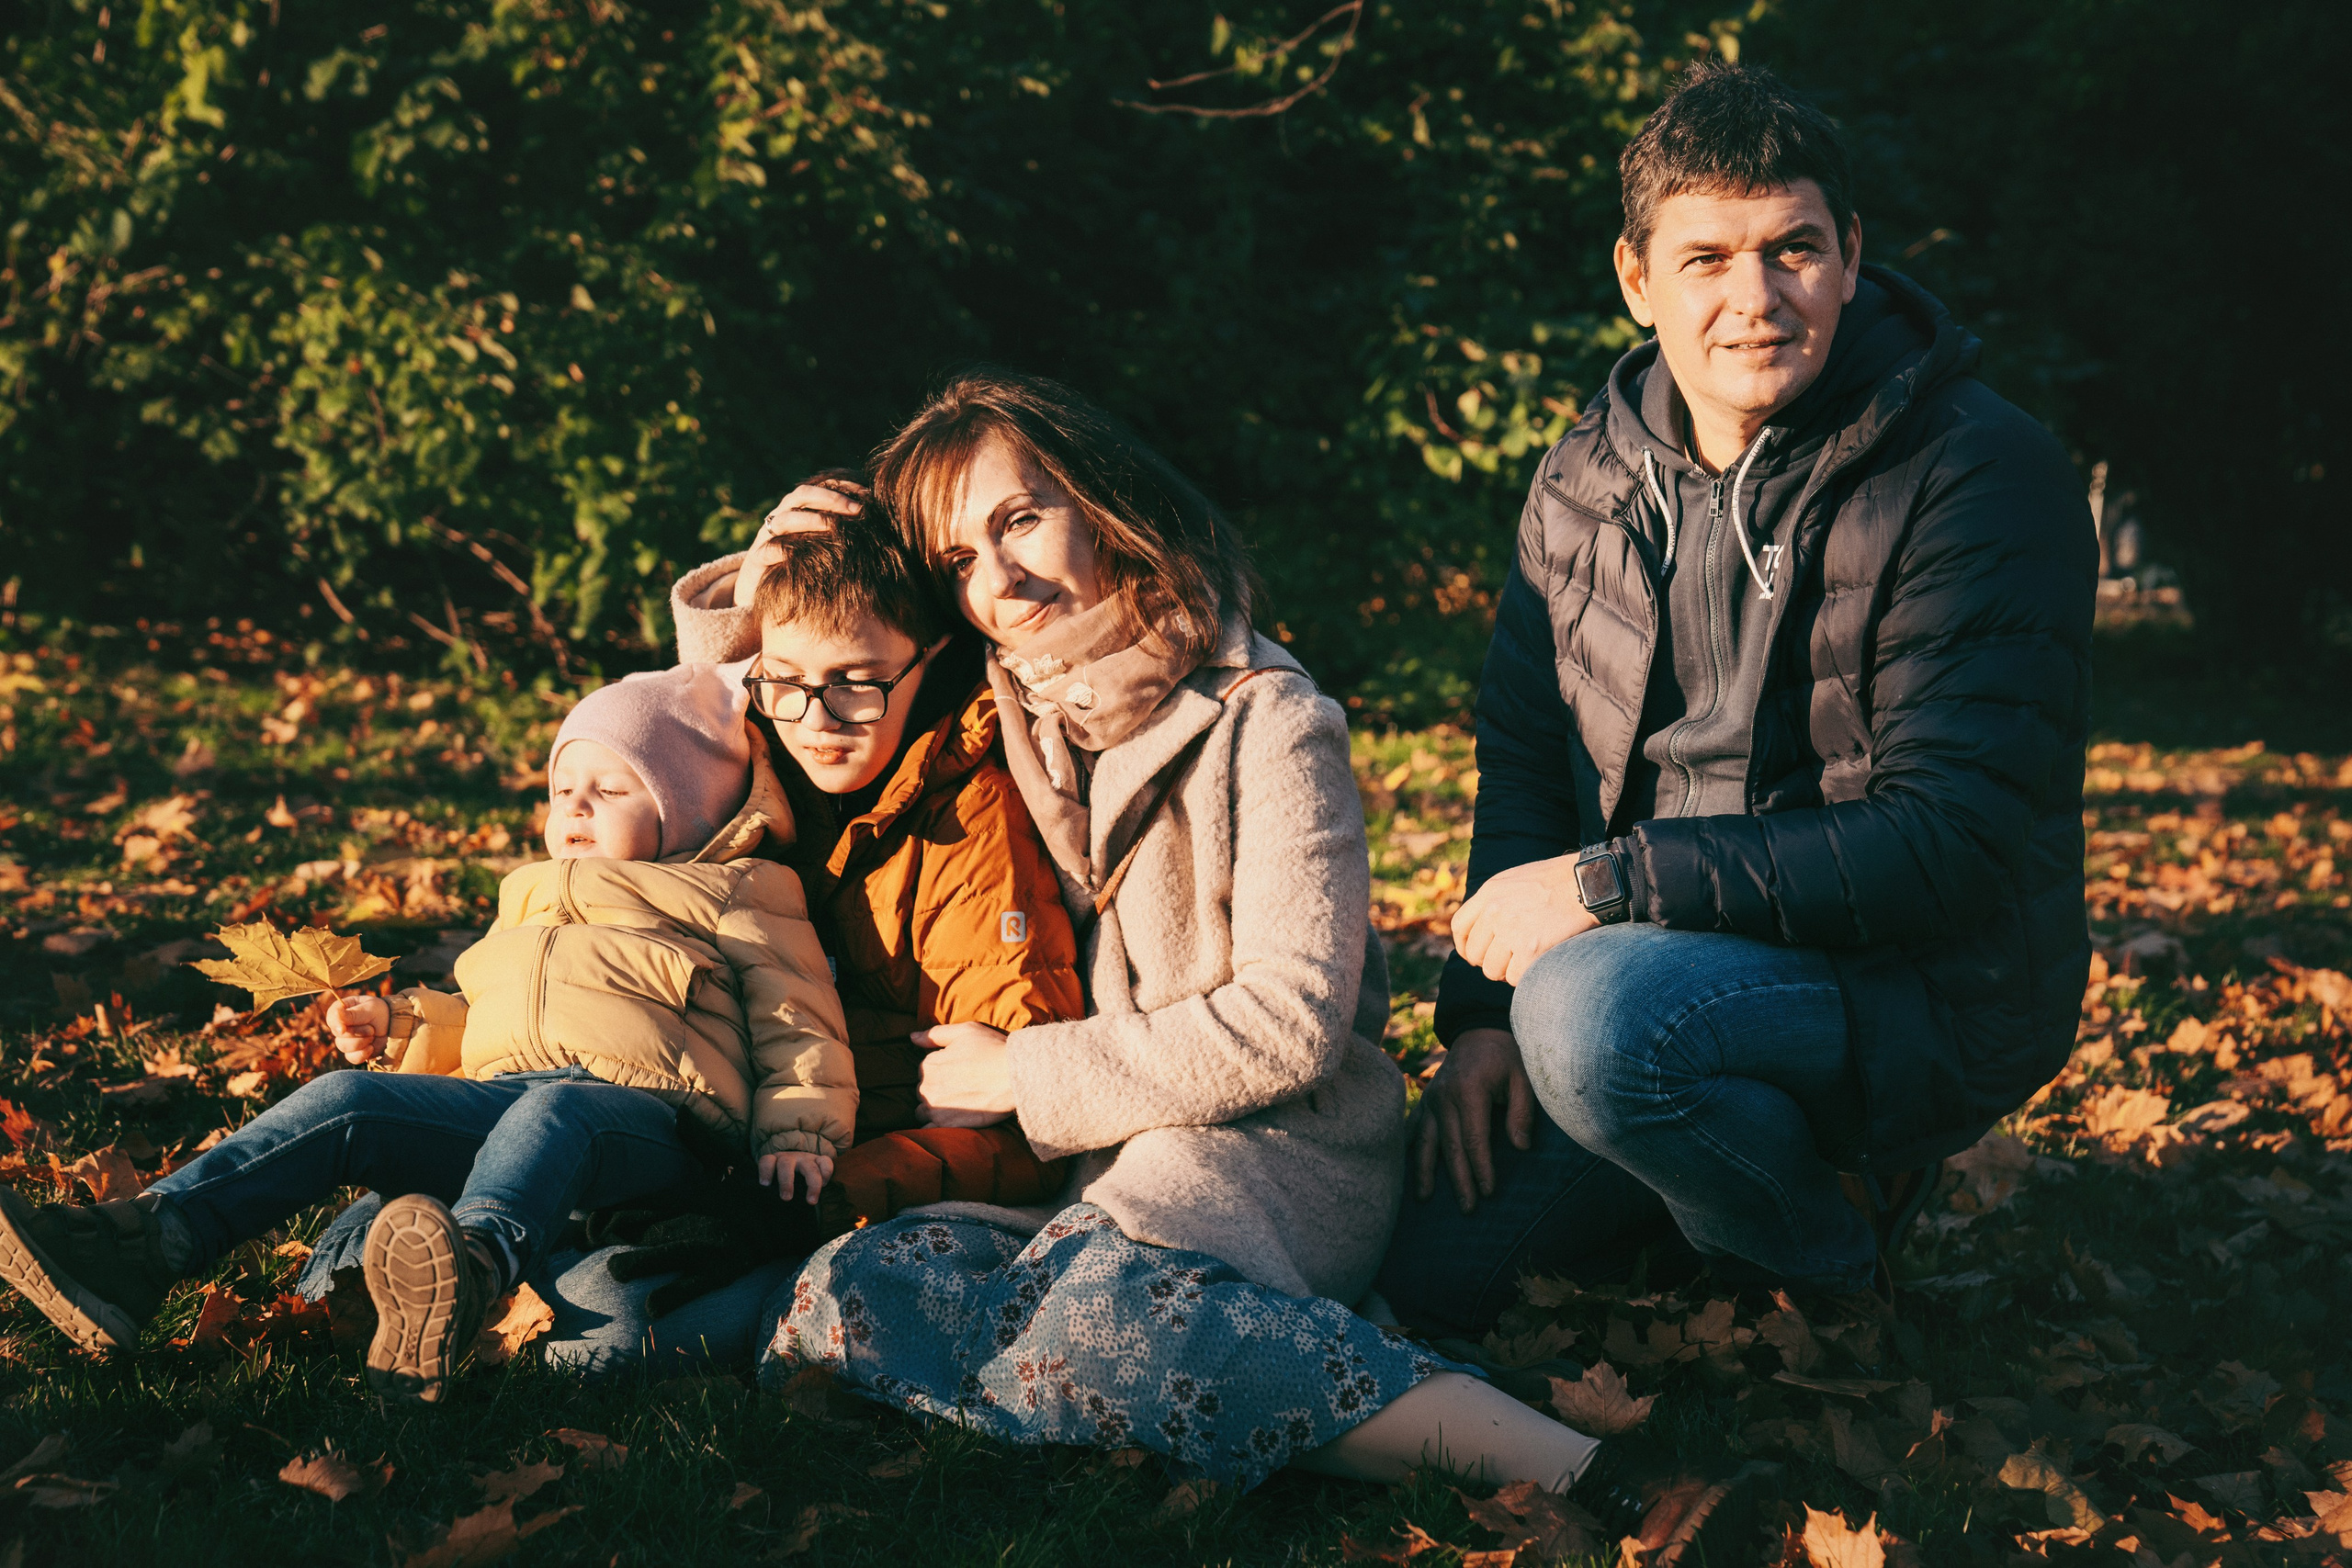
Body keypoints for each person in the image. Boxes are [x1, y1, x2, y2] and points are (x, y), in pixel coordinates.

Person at [734, 371, 1604, 1495]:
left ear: (1099, 500)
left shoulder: (1268, 717)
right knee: (846, 1290)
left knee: (1097, 1327)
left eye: (1020, 520)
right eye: (957, 561)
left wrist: (1024, 1071)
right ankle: (1220, 1382)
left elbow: (1292, 1022)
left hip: (1268, 1148)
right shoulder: (996, 702)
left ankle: (1565, 1466)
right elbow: (796, 689)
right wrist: (762, 570)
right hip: (1080, 1170)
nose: (998, 581)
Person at [1380, 62, 2097, 1337]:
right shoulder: (1581, 484)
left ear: (1853, 254)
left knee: (1591, 1015)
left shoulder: (1980, 471)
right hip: (1660, 972)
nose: (1756, 299)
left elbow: (1955, 839)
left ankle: (1823, 1271)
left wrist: (1607, 888)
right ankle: (1705, 1165)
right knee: (1434, 1274)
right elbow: (1531, 759)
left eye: (1795, 249)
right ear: (1636, 279)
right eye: (1707, 257)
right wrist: (1482, 1026)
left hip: (1911, 980)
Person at [0, 666, 850, 1403]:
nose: (576, 810)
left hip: (650, 1125)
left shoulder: (735, 895)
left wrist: (800, 1126)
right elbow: (483, 1012)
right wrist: (406, 1023)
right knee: (348, 1100)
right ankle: (147, 1242)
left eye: (611, 790)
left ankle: (468, 1274)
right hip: (511, 1102)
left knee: (557, 1111)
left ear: (689, 809)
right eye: (563, 791)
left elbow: (796, 1015)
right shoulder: (529, 895)